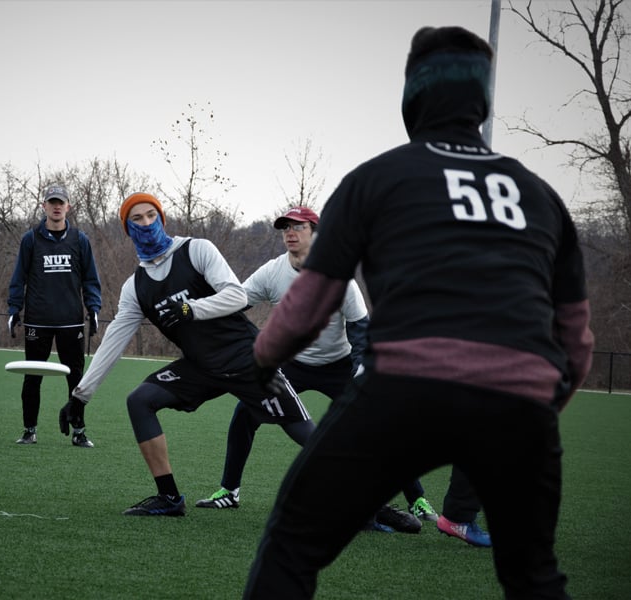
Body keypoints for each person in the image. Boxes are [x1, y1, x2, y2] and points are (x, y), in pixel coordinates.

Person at [243, 26, 593, 599]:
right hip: (519, 407)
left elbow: (309, 306)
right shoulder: (539, 195)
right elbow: (576, 343)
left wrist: (261, 360)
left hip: (404, 391)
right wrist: (534, 408)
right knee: (533, 576)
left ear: (413, 94)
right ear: (482, 101)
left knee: (292, 544)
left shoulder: (377, 178)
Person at [64, 192, 315, 516]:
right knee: (140, 400)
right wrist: (81, 395)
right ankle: (169, 498)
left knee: (306, 434)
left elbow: (236, 296)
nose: (147, 223)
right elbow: (113, 342)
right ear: (127, 228)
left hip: (248, 359)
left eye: (152, 216)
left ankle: (369, 502)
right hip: (202, 367)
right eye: (137, 219)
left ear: (162, 219)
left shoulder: (196, 250)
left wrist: (190, 308)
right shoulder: (135, 288)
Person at [195, 206, 435, 534]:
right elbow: (235, 302)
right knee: (245, 413)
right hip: (292, 364)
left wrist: (360, 371)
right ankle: (229, 491)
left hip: (340, 364)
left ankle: (417, 498)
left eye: (299, 227)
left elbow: (361, 328)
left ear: (316, 234)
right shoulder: (272, 272)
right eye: (286, 228)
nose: (291, 233)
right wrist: (199, 312)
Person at [7, 183, 102, 448]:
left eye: (61, 202)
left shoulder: (80, 240)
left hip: (71, 321)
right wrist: (13, 310)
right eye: (52, 202)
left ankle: (79, 431)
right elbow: (18, 278)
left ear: (68, 207)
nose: (57, 206)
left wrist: (93, 309)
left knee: (76, 379)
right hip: (38, 320)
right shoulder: (31, 239)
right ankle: (29, 430)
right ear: (44, 206)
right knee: (32, 377)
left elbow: (91, 279)